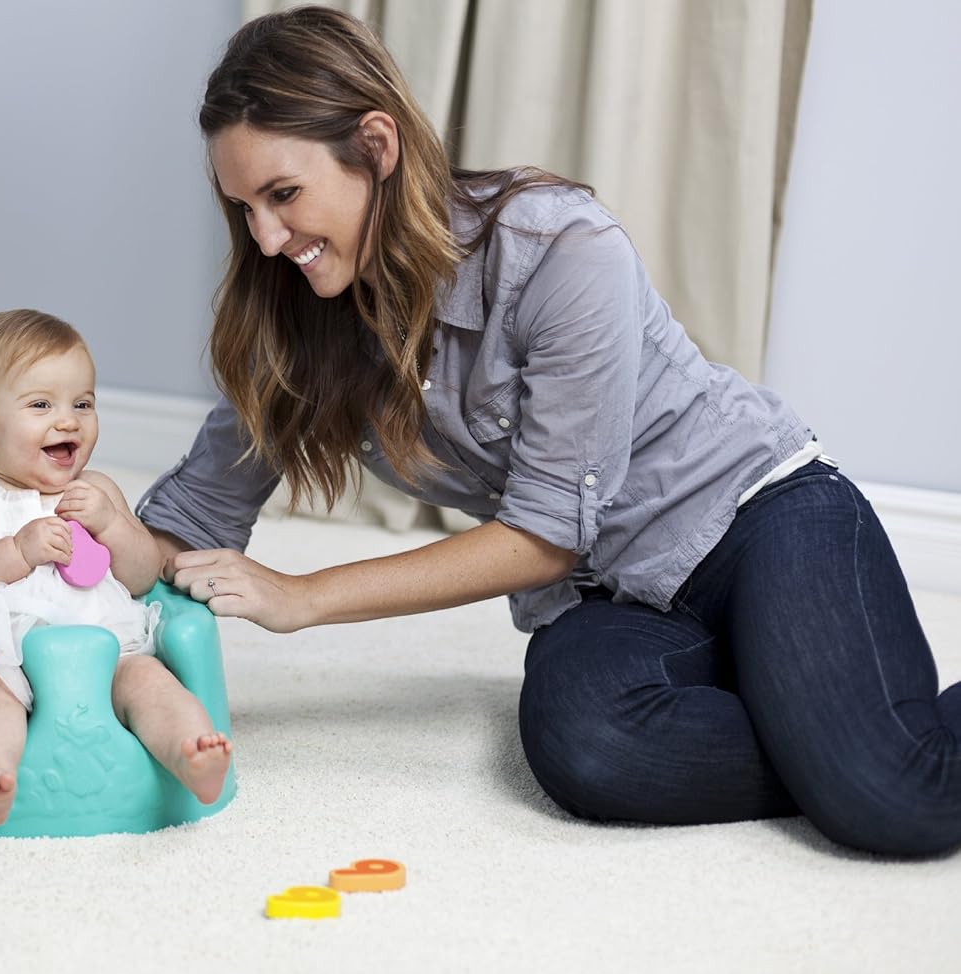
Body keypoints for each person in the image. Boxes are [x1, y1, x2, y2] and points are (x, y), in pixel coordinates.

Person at [137, 6, 960, 856]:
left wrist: (303, 595)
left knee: (894, 798)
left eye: (283, 195)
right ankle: (818, 722)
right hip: (609, 597)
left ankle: (848, 743)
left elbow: (542, 537)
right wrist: (53, 537)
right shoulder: (297, 315)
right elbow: (186, 527)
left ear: (376, 147)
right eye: (245, 210)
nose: (266, 240)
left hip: (758, 519)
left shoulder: (559, 247)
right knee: (590, 749)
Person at [0, 309, 231, 826]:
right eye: (41, 404)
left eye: (83, 403)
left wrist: (113, 525)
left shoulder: (98, 490)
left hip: (105, 645)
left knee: (149, 683)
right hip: (3, 647)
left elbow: (142, 575)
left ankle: (192, 752)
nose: (68, 420)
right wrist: (15, 552)